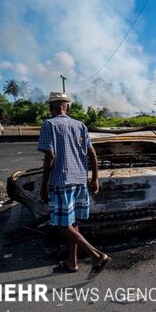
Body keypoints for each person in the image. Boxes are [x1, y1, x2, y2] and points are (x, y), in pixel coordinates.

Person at [38, 92, 110, 273]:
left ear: (50, 107)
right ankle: (73, 261)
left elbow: (50, 155)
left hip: (60, 180)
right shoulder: (80, 125)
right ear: (67, 106)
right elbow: (92, 152)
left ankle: (96, 255)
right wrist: (95, 178)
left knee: (62, 224)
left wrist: (43, 185)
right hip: (79, 179)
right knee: (73, 222)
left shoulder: (49, 125)